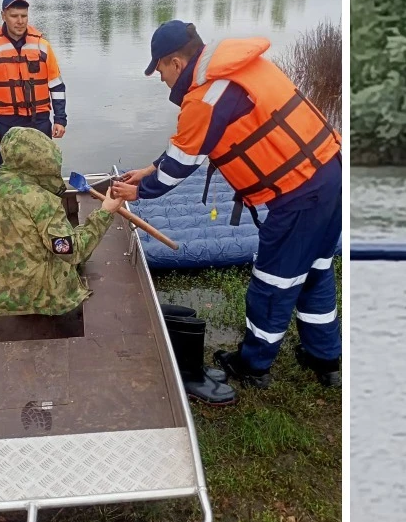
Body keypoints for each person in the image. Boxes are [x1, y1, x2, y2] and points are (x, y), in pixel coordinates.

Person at [111, 20, 342, 389]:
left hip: (300, 195)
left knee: (272, 283)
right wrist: (148, 169)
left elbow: (182, 164)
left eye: (159, 69)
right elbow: (186, 147)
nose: (160, 78)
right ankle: (326, 358)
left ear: (175, 63)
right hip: (330, 172)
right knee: (315, 271)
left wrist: (140, 192)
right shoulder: (236, 69)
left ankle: (253, 366)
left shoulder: (207, 96)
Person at [0, 127, 122, 316]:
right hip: (33, 297)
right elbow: (71, 252)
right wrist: (105, 212)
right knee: (75, 253)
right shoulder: (41, 200)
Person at [0, 0, 68, 163]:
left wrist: (60, 119)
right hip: (6, 122)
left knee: (44, 167)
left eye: (24, 16)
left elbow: (57, 86)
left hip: (39, 120)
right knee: (11, 170)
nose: (20, 21)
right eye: (14, 16)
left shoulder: (42, 46)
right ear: (3, 15)